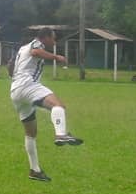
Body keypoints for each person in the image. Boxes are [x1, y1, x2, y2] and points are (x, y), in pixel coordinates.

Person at [9, 28, 82, 182]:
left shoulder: (22, 49)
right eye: (53, 39)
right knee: (59, 106)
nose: (54, 43)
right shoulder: (37, 44)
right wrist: (56, 57)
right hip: (28, 84)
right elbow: (35, 52)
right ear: (46, 37)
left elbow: (10, 67)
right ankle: (61, 134)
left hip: (15, 90)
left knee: (31, 133)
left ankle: (35, 170)